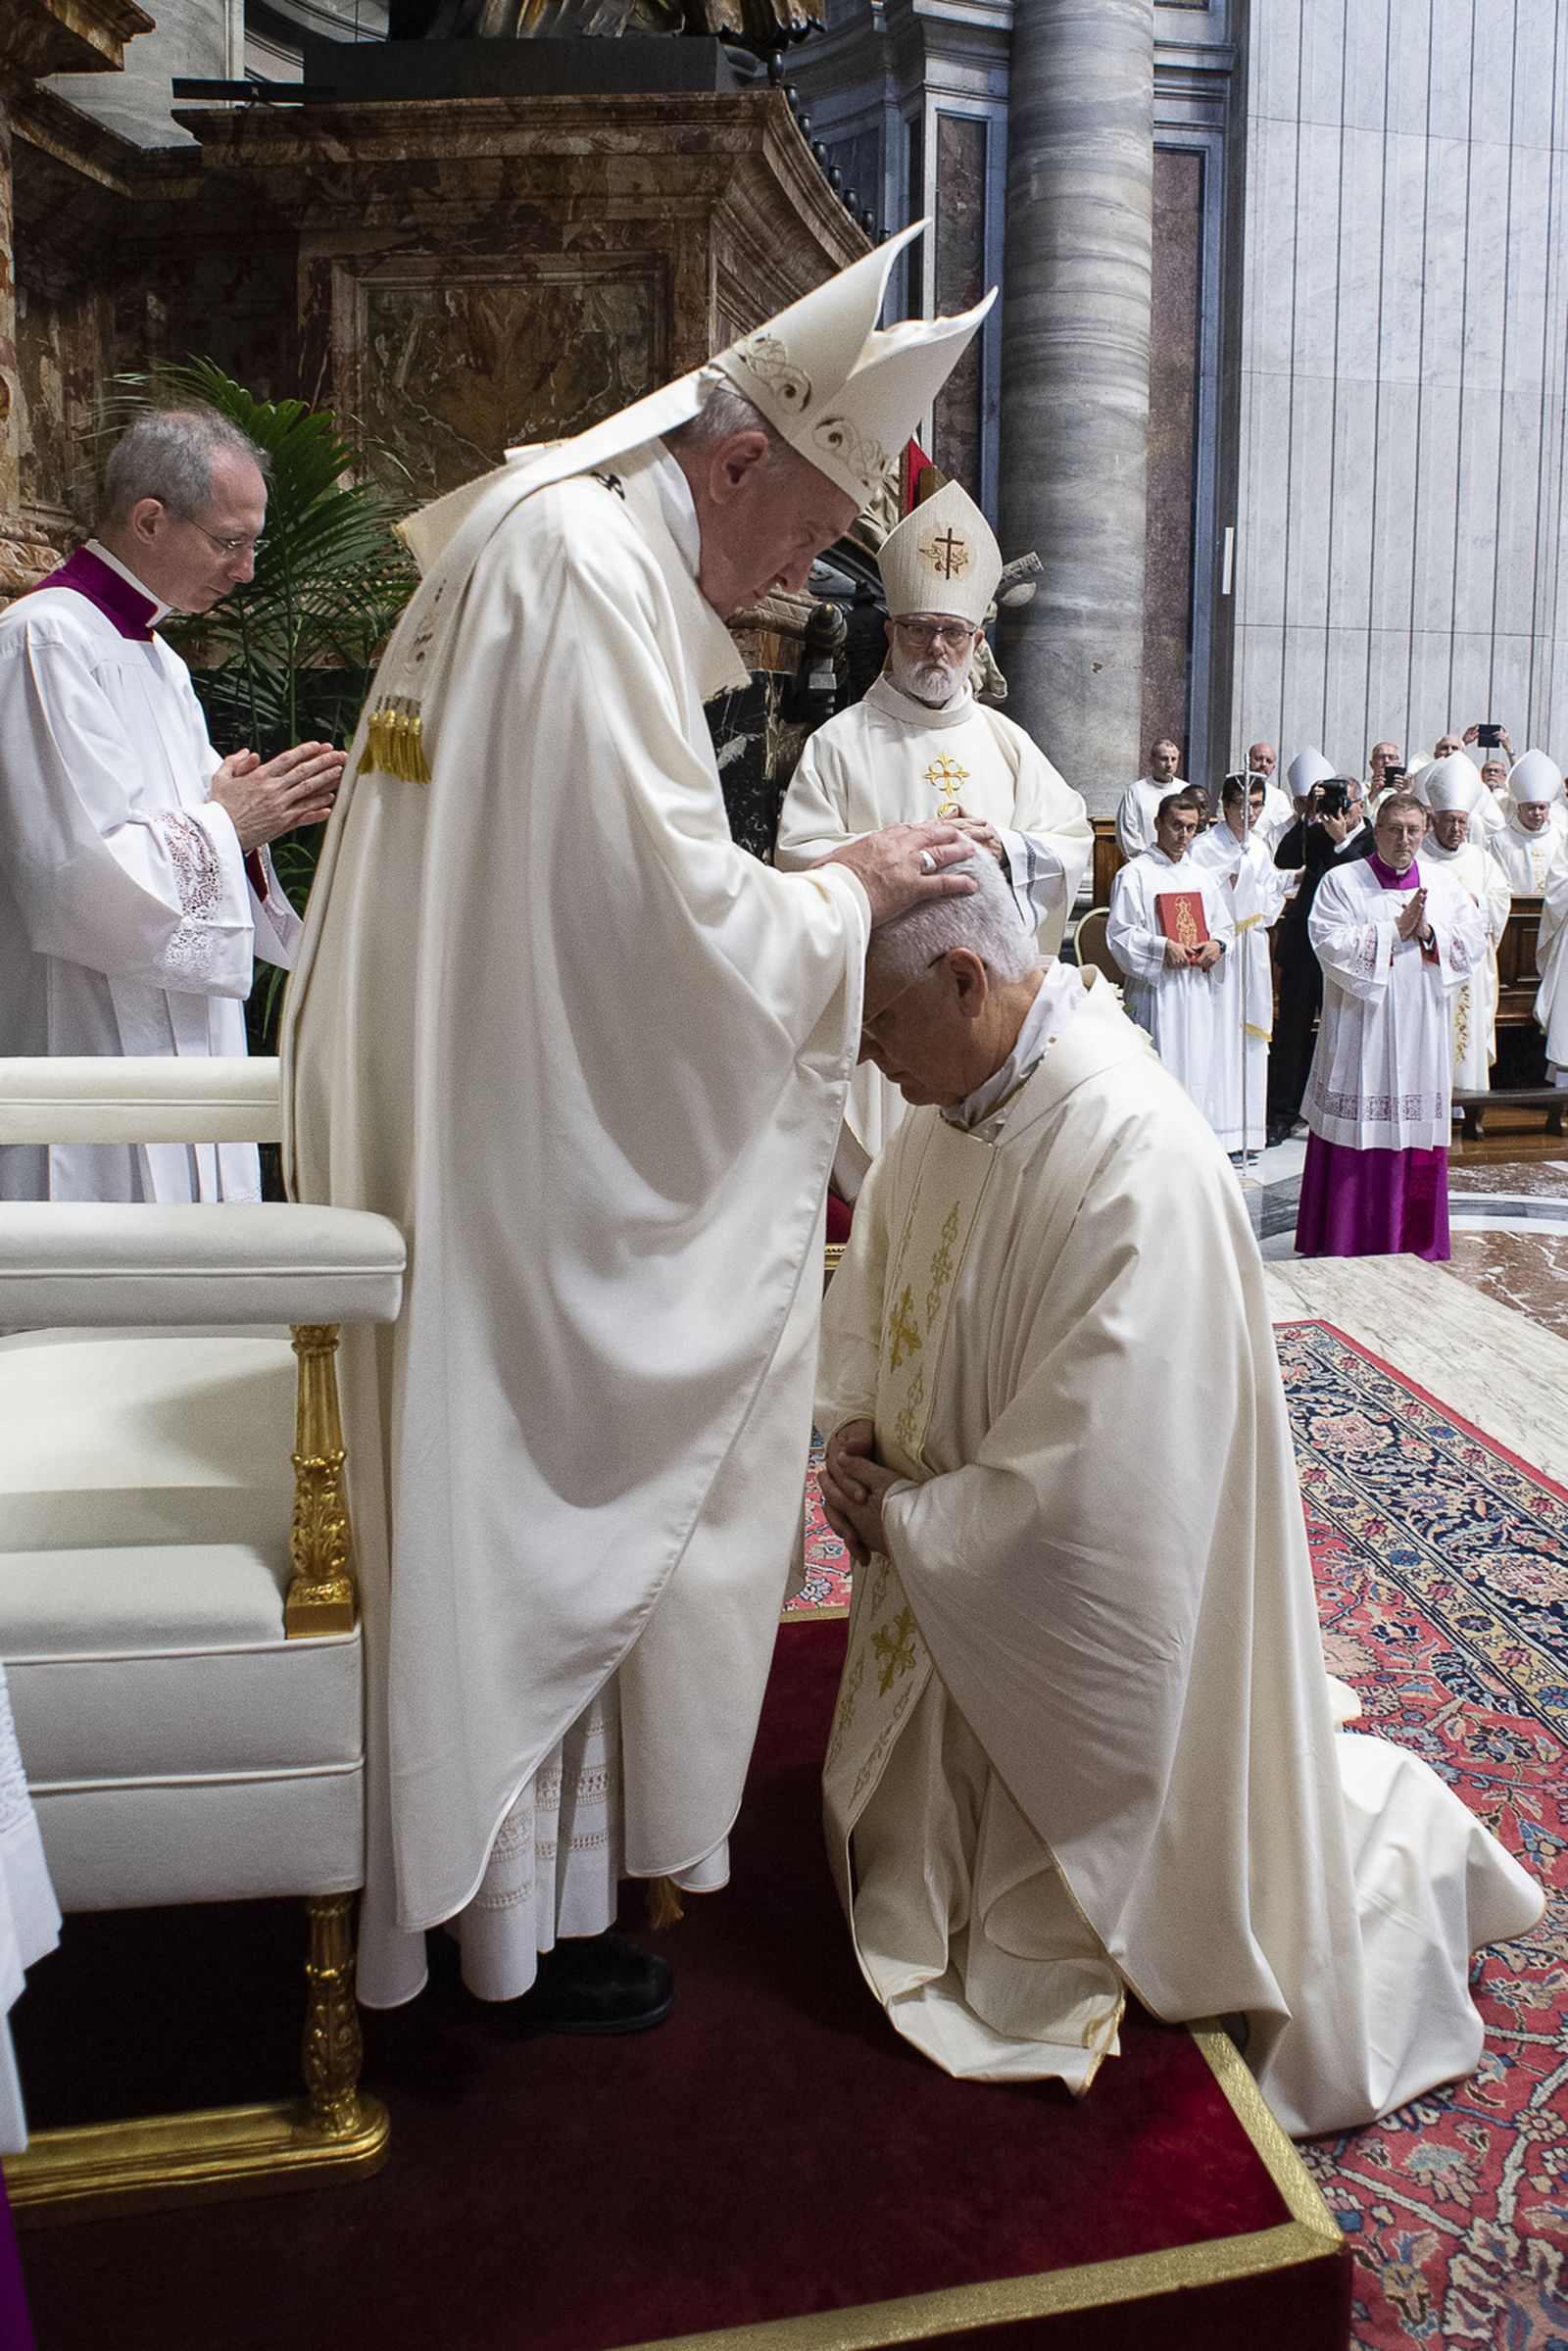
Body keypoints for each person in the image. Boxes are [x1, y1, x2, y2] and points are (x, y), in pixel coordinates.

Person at [282, 225, 992, 2028]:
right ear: (738, 453)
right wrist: (838, 899)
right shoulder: (593, 565)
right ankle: (530, 1910)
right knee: (640, 1422)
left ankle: (545, 1892)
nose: (796, 580)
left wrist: (797, 886)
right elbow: (658, 928)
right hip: (535, 1156)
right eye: (810, 534)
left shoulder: (552, 531)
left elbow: (604, 892)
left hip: (493, 1101)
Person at [814, 854, 1540, 2137]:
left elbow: (1102, 1486)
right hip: (944, 1622)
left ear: (970, 978)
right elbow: (878, 1293)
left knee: (1093, 1914)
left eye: (883, 1026)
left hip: (1047, 1653)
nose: (879, 1063)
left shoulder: (1133, 1154)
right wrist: (855, 1425)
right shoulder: (952, 1107)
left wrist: (912, 1524)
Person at [0, 407, 343, 1203]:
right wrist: (230, 822)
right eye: (231, 542)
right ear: (150, 519)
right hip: (84, 1030)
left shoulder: (158, 658)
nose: (248, 569)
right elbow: (78, 880)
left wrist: (248, 815)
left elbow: (199, 827)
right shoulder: (43, 642)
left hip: (182, 1028)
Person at [775, 478, 1090, 1188]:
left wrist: (1010, 849)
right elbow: (797, 869)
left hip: (984, 1019)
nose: (936, 647)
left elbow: (1071, 845)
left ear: (977, 641)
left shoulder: (1008, 743)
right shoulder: (839, 745)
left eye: (954, 632)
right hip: (886, 1018)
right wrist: (884, 875)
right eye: (918, 628)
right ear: (889, 631)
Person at [1297, 793, 1485, 1260]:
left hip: (1421, 1029)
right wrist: (1393, 930)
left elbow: (1472, 944)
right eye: (1394, 829)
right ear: (1376, 832)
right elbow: (1327, 942)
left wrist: (1428, 933)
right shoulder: (1343, 882)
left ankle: (1415, 1239)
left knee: (1416, 1127)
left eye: (1413, 830)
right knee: (1357, 1123)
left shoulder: (1444, 884)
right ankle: (1344, 1239)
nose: (1404, 840)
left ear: (1425, 832)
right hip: (1362, 1029)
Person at [1106, 791, 1233, 1132]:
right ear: (1158, 823)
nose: (1184, 835)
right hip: (1157, 992)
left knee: (1197, 1073)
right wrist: (1161, 945)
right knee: (1157, 1075)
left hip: (1196, 993)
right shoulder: (1135, 874)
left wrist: (1218, 944)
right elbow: (1119, 934)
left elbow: (1224, 925)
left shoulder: (1203, 877)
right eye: (1176, 826)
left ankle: (1193, 1145)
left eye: (1191, 828)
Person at [1265, 774, 1373, 1146]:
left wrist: (1343, 840)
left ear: (1361, 804)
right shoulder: (1316, 828)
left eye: (1347, 800)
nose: (1340, 807)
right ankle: (1281, 1114)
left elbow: (1367, 877)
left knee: (1342, 1033)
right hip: (1303, 948)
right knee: (1291, 1032)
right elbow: (1285, 858)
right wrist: (1308, 818)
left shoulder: (1371, 838)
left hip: (1346, 951)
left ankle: (1334, 1111)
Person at [1193, 773, 1290, 1153]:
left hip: (1251, 946)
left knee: (1249, 1036)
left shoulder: (1260, 847)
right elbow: (1198, 894)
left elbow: (1268, 898)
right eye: (1241, 805)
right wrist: (1227, 884)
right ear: (1224, 806)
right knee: (1220, 1032)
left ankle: (1247, 1131)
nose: (1249, 814)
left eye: (1256, 805)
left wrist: (1271, 888)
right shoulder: (1204, 848)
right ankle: (1217, 1130)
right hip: (1222, 949)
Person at [1422, 754, 1510, 1089]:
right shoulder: (1420, 856)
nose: (1456, 829)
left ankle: (1467, 1102)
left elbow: (1500, 901)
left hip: (1470, 966)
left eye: (1462, 821)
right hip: (1430, 965)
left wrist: (1476, 902)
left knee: (1465, 1028)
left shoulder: (1481, 859)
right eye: (1449, 821)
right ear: (1433, 819)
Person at [1492, 751, 1568, 893]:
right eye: (1531, 807)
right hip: (1515, 911)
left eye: (1542, 807)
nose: (1537, 813)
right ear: (1519, 807)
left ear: (1549, 808)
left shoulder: (1562, 836)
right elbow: (1498, 882)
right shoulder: (1501, 839)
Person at [1112, 736, 1186, 859]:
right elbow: (1127, 831)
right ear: (1152, 760)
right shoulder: (1136, 791)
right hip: (1146, 863)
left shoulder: (1185, 790)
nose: (1169, 764)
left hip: (1180, 864)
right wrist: (1145, 860)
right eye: (1164, 759)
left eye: (1173, 759)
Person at [1244, 739, 1293, 848]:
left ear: (1273, 767)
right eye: (1259, 759)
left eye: (1269, 761)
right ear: (1249, 760)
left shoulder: (1280, 797)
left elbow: (1284, 830)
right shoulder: (1235, 789)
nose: (1263, 764)